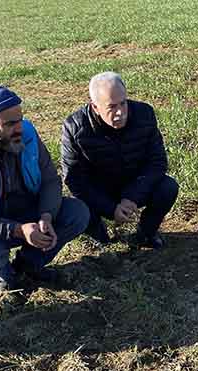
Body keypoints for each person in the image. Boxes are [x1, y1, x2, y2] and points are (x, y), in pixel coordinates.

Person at [0, 85, 89, 305]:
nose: (19, 127)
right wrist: (19, 230)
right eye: (10, 123)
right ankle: (4, 273)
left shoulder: (27, 133)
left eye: (20, 119)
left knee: (77, 213)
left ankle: (28, 266)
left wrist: (46, 216)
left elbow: (50, 179)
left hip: (24, 207)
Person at [61, 72, 178, 249]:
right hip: (100, 190)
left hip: (135, 184)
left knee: (168, 188)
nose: (120, 112)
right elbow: (74, 179)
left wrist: (132, 196)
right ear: (95, 107)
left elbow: (157, 161)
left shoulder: (144, 115)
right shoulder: (75, 128)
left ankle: (146, 233)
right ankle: (101, 239)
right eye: (111, 107)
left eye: (123, 103)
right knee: (79, 207)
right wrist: (109, 208)